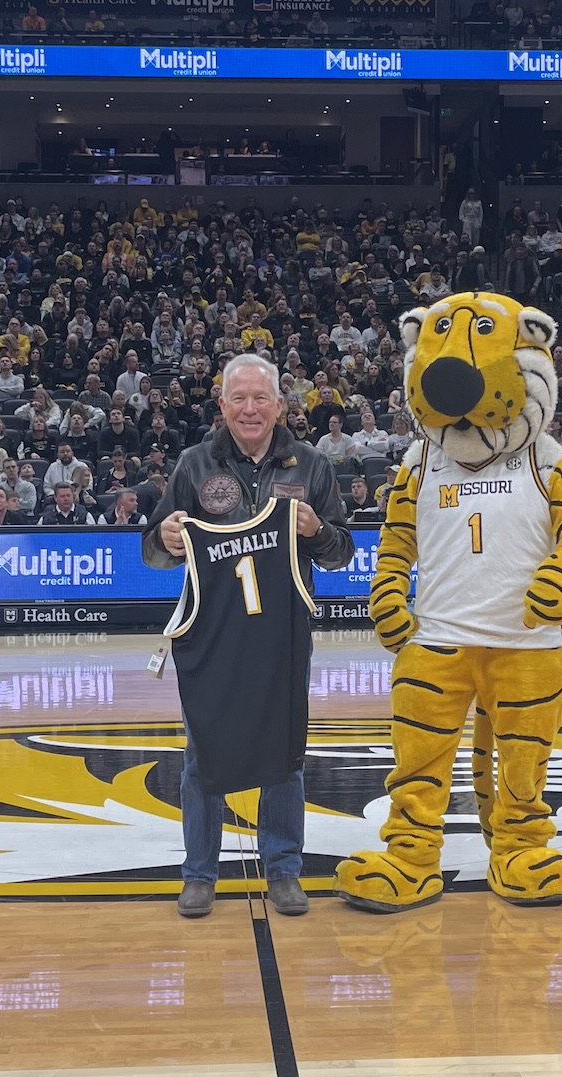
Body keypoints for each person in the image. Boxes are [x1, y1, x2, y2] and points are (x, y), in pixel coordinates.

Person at [142, 353, 353, 920]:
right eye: (240, 398)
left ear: (281, 405)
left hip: (283, 634)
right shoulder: (193, 464)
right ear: (222, 405)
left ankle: (283, 869)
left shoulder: (310, 464)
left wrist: (318, 531)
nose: (251, 408)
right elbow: (153, 552)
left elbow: (343, 554)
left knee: (285, 752)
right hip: (211, 635)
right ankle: (199, 874)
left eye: (262, 398)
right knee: (202, 750)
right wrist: (164, 536)